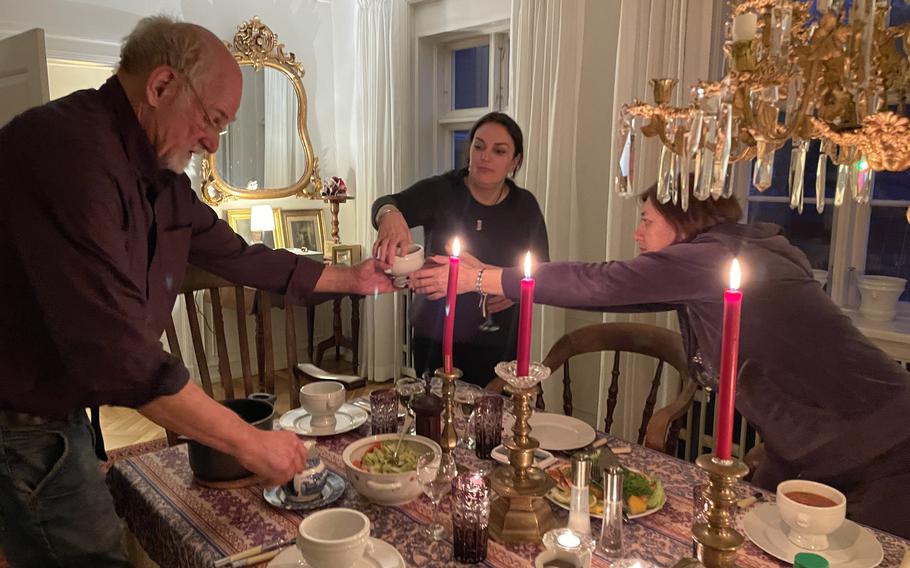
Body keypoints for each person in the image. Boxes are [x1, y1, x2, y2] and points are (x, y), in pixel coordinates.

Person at [0, 16, 392, 566]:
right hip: (20, 422)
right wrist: (250, 442)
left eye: (223, 127)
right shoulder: (69, 153)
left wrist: (352, 279)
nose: (211, 142)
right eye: (211, 119)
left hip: (59, 411)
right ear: (160, 86)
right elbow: (124, 358)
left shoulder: (160, 177)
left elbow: (241, 257)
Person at [411, 182, 910, 538]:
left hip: (884, 450)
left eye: (646, 220)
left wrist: (484, 279)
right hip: (809, 446)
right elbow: (620, 290)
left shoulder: (715, 259)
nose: (638, 234)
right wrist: (492, 273)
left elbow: (604, 280)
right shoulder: (726, 257)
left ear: (684, 220)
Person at [371, 112, 549, 386]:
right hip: (436, 334)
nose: (485, 156)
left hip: (498, 338)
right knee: (436, 416)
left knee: (491, 421)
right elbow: (387, 203)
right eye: (478, 146)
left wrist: (514, 293)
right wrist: (389, 214)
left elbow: (542, 270)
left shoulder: (525, 206)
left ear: (515, 161)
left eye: (498, 151)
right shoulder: (442, 191)